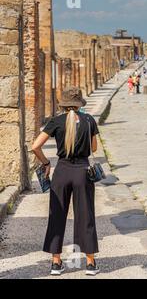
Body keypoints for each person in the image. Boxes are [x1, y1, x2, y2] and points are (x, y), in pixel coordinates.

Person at [32, 87, 101, 277]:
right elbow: (93, 148)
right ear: (79, 104)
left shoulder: (56, 121)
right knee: (86, 216)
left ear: (63, 104)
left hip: (61, 172)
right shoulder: (89, 121)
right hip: (83, 173)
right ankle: (90, 263)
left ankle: (56, 263)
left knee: (57, 216)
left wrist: (46, 163)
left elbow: (35, 146)